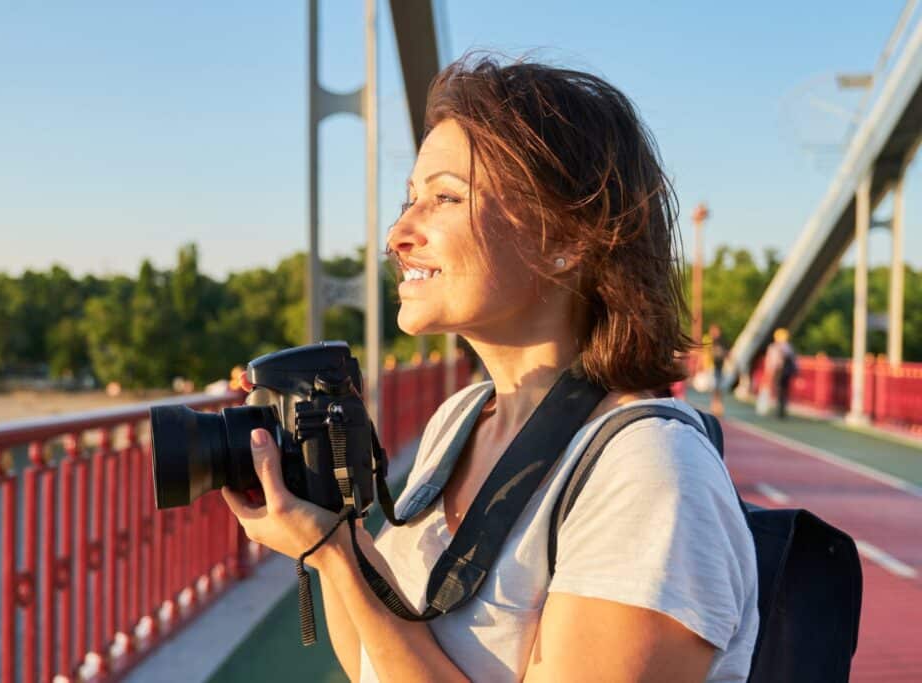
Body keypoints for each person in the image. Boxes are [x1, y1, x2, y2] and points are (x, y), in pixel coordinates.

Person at [222, 55, 758, 682]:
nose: (398, 233)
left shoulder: (649, 474)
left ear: (568, 241)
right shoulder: (460, 420)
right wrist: (325, 522)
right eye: (410, 199)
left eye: (445, 197)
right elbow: (376, 666)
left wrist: (343, 559)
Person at [763, 328, 797, 419]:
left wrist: (769, 371)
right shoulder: (788, 347)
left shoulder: (774, 347)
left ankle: (779, 409)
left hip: (778, 371)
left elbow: (772, 362)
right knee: (783, 390)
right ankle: (781, 409)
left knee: (779, 390)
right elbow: (793, 360)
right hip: (786, 372)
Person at [709, 324, 728, 416]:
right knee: (715, 387)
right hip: (714, 367)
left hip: (721, 367)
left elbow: (727, 352)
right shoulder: (713, 341)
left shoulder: (721, 341)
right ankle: (715, 406)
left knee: (718, 387)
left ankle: (718, 406)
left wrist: (721, 354)